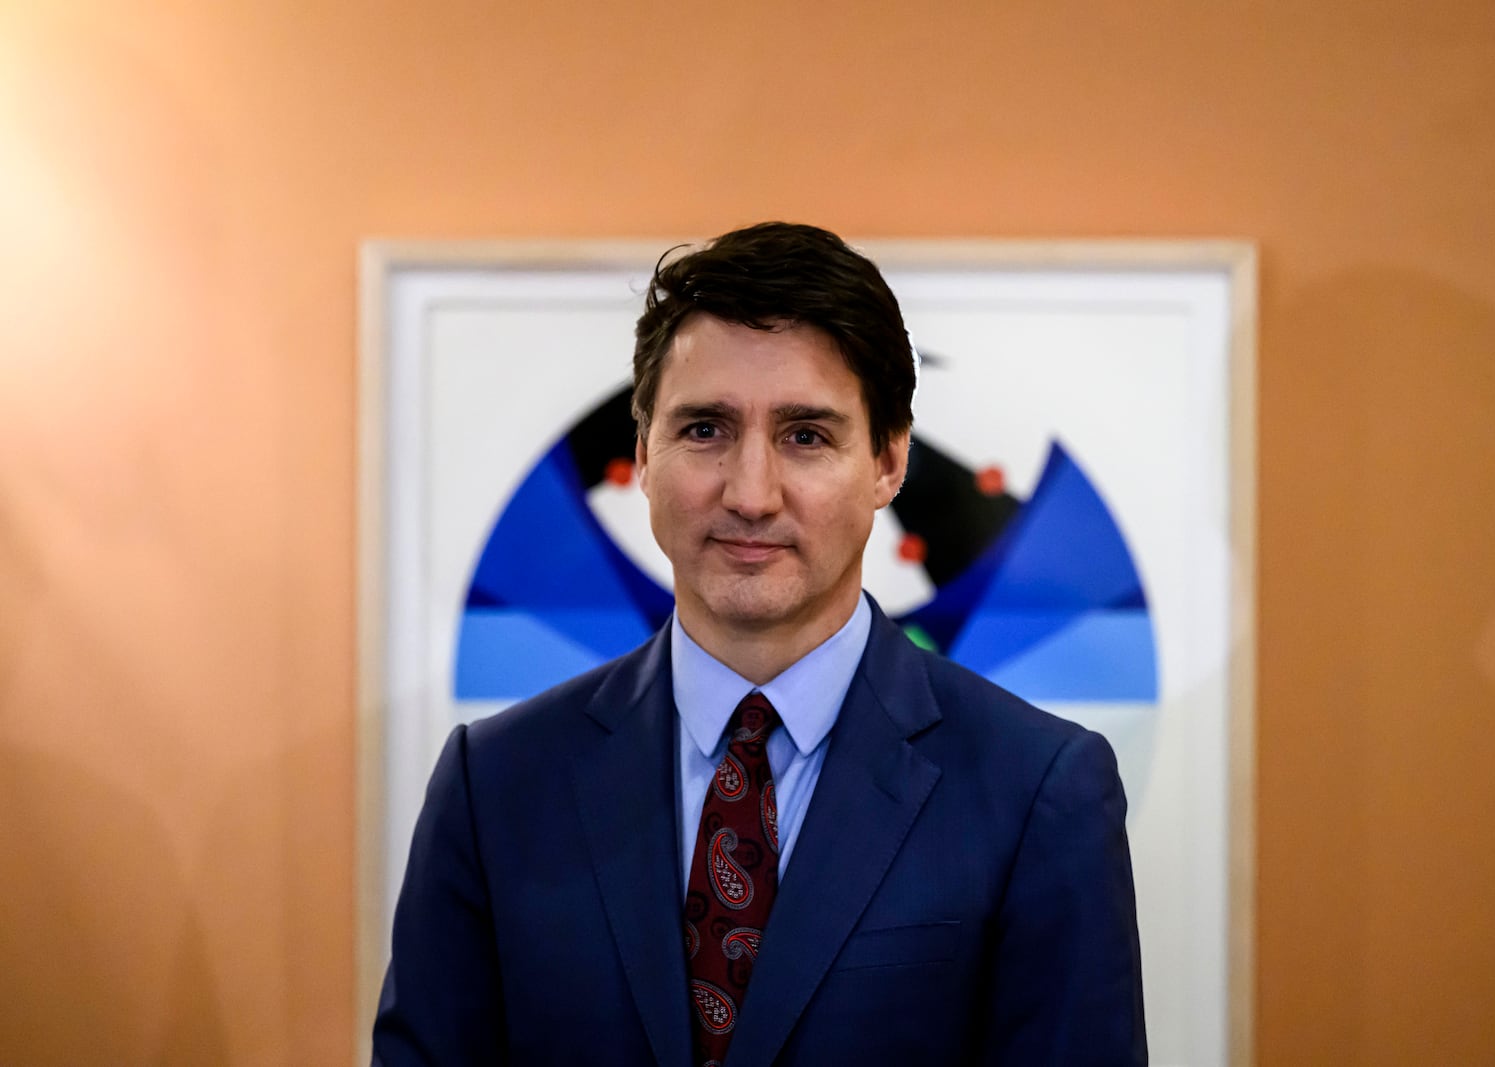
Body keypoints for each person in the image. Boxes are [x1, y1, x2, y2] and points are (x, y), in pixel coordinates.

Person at [372, 222, 1146, 1066]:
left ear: (889, 462)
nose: (749, 492)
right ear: (643, 452)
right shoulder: (495, 786)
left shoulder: (1039, 791)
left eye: (805, 435)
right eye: (705, 429)